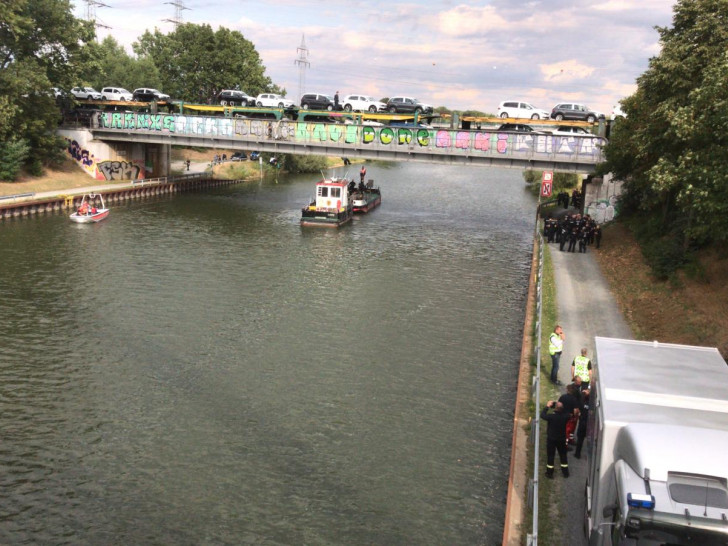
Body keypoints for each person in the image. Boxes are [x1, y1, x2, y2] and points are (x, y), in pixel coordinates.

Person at [541, 400, 570, 478]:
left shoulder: (551, 417)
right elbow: (568, 413)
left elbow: (542, 415)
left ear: (555, 408)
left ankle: (549, 473)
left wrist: (547, 406)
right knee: (563, 455)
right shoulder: (565, 417)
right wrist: (561, 405)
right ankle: (565, 473)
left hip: (551, 439)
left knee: (551, 456)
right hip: (561, 439)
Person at [574, 388, 590, 459]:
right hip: (590, 424)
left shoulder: (582, 403)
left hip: (582, 423)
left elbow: (578, 410)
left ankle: (577, 454)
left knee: (580, 439)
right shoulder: (592, 405)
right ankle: (589, 456)